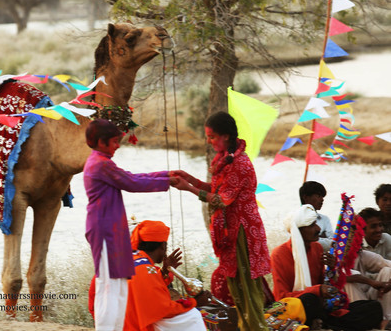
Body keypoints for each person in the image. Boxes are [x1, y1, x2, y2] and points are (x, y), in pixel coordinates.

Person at [172, 111, 271, 331]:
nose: (208, 141)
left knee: (247, 290)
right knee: (237, 288)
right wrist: (189, 178)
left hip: (242, 231)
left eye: (212, 136)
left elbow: (220, 200)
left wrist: (188, 189)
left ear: (225, 136)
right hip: (231, 231)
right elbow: (216, 190)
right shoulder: (226, 159)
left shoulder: (239, 164)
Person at [84, 119, 184, 331]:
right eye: (114, 141)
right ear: (101, 142)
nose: (118, 146)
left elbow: (131, 177)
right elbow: (132, 183)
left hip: (111, 231)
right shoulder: (100, 163)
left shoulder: (102, 162)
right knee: (109, 287)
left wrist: (165, 175)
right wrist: (167, 181)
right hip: (104, 232)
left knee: (118, 286)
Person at [270, 204, 382, 330]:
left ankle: (327, 325)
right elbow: (282, 297)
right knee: (309, 299)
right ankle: (327, 324)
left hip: (321, 309)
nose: (318, 229)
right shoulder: (279, 254)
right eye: (312, 225)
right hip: (294, 309)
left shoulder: (317, 248)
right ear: (298, 231)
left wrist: (332, 268)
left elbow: (326, 284)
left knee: (374, 307)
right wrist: (317, 290)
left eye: (316, 224)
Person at [125, 220, 209, 331]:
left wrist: (164, 271)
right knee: (193, 316)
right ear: (163, 246)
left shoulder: (134, 261)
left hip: (125, 321)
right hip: (134, 326)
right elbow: (161, 309)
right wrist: (195, 302)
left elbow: (147, 288)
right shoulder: (145, 269)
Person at [344, 207, 391, 329]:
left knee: (387, 271)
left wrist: (388, 283)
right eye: (374, 226)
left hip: (370, 300)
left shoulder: (361, 254)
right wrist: (372, 282)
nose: (379, 230)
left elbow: (386, 264)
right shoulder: (337, 256)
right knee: (349, 283)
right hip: (353, 309)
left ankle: (386, 320)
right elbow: (344, 274)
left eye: (380, 225)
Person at [299, 181, 334, 251]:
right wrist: (322, 239)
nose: (322, 199)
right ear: (306, 197)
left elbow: (332, 242)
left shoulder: (324, 219)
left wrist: (314, 239)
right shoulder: (297, 219)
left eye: (322, 197)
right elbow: (299, 242)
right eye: (318, 196)